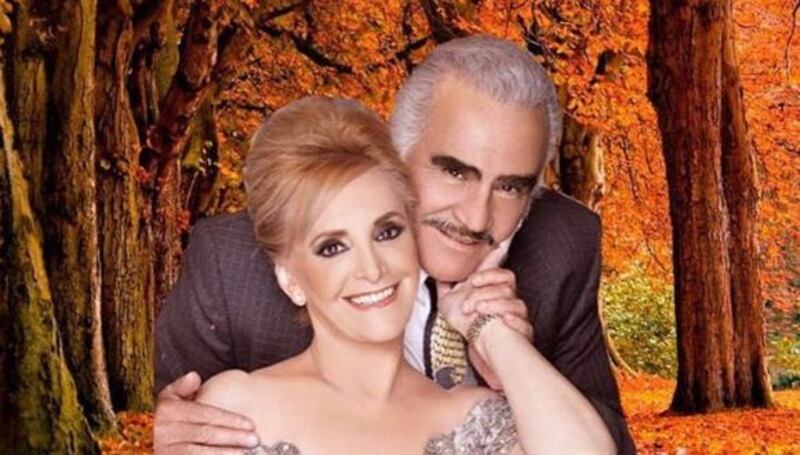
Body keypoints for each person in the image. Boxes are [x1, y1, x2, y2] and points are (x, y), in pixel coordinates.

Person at [155, 35, 635, 453]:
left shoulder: (560, 248)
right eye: (454, 171)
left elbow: (602, 442)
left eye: (511, 187)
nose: (475, 218)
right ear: (398, 157)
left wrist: (496, 337)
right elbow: (175, 418)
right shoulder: (233, 266)